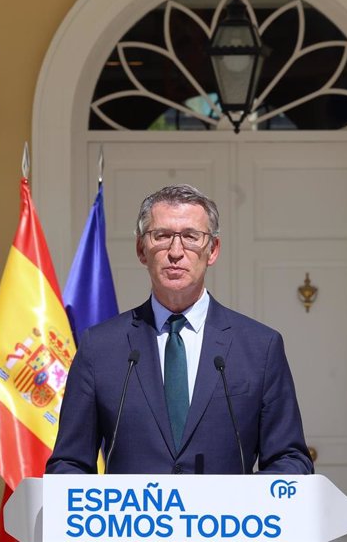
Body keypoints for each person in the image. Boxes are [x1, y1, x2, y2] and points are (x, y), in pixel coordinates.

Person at [46, 184, 313, 475]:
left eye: (190, 237)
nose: (176, 251)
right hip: (131, 519)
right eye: (161, 236)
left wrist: (245, 503)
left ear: (212, 250)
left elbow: (290, 460)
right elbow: (69, 464)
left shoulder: (260, 347)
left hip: (226, 519)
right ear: (141, 250)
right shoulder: (100, 347)